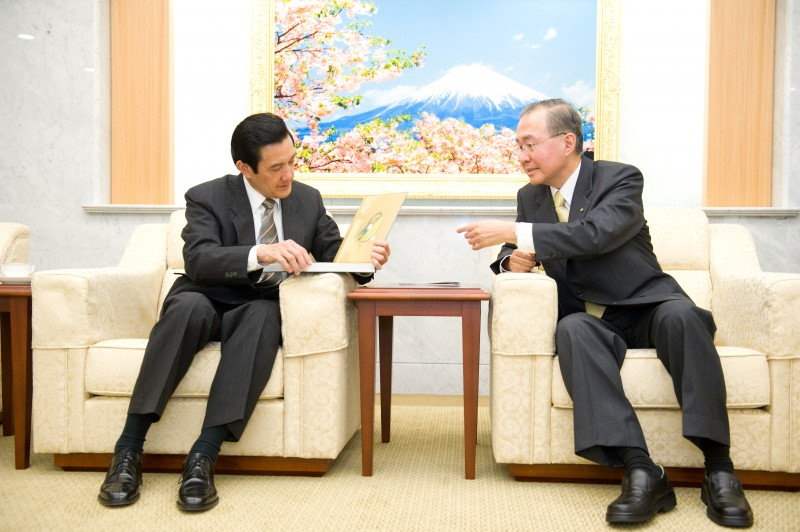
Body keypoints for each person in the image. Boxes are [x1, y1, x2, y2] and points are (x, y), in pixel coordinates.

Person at [457, 99, 753, 528]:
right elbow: (519, 247)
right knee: (572, 330)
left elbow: (595, 234)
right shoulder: (530, 197)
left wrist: (513, 231)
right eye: (518, 147)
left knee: (684, 318)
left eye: (529, 144)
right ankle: (641, 470)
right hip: (591, 319)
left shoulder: (620, 178)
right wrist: (510, 259)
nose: (521, 156)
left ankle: (720, 468)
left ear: (567, 142)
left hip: (647, 305)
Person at [98, 113, 391, 512]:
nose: (288, 175)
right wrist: (260, 252)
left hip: (259, 304)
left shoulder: (307, 199)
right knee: (185, 308)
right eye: (276, 167)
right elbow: (199, 258)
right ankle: (128, 449)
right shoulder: (207, 196)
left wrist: (366, 258)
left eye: (292, 162)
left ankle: (203, 457)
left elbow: (333, 253)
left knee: (263, 317)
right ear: (244, 168)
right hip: (206, 295)